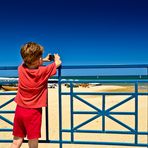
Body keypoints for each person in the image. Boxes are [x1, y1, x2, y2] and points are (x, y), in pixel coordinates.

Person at [11, 42, 61, 148]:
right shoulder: (43, 71)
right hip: (34, 112)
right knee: (33, 142)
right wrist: (56, 58)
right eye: (40, 57)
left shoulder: (21, 69)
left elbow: (27, 63)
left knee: (16, 141)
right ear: (38, 60)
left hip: (20, 109)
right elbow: (58, 63)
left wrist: (44, 59)